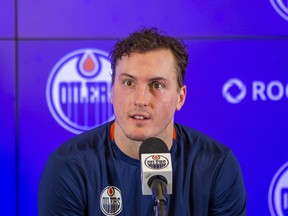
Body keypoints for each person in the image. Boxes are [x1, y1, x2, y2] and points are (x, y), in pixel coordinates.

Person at [38, 27, 246, 215]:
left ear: (180, 98)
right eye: (128, 83)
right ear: (111, 92)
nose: (140, 100)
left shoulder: (216, 165)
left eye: (156, 85)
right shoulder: (70, 166)